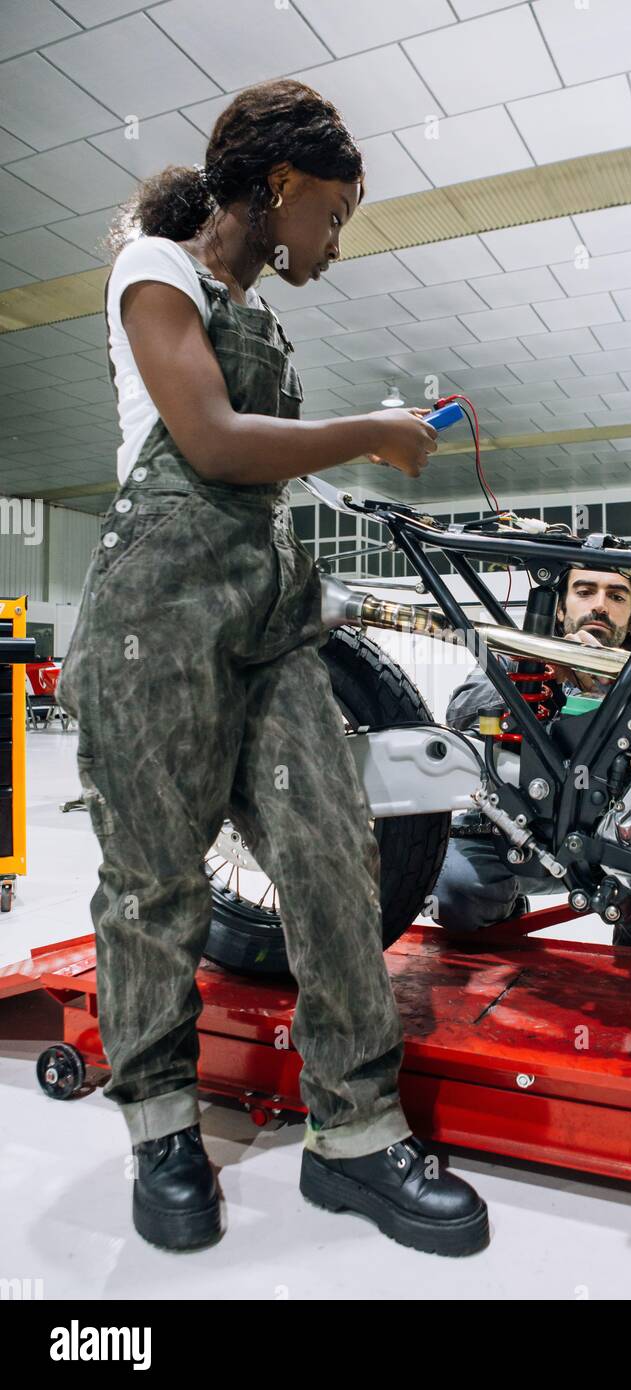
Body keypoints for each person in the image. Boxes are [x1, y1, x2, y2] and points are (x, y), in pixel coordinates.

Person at [56, 79, 489, 1258]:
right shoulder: (157, 272)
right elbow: (208, 440)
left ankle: (354, 1137)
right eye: (334, 216)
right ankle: (158, 1127)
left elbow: (258, 475)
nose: (333, 245)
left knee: (333, 861)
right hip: (157, 615)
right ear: (281, 186)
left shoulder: (266, 317)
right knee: (155, 884)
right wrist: (370, 429)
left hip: (260, 612)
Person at [432, 559, 631, 950]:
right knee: (454, 895)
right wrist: (542, 669)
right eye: (584, 592)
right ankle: (507, 906)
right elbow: (460, 714)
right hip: (507, 831)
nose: (599, 605)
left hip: (608, 845)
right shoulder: (520, 652)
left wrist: (604, 692)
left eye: (617, 596)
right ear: (561, 608)